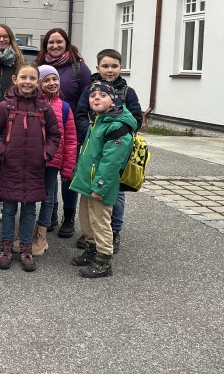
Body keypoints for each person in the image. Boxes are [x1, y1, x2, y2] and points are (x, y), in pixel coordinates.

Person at [0, 64, 60, 272]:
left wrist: (46, 154)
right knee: (9, 210)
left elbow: (55, 134)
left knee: (29, 210)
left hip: (36, 167)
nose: (27, 82)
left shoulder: (44, 108)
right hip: (11, 165)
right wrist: (2, 152)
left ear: (38, 82)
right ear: (14, 79)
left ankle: (26, 248)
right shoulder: (5, 106)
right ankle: (7, 247)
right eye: (23, 77)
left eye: (32, 78)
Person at [73, 49, 142, 253]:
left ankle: (114, 231)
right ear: (98, 68)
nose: (110, 70)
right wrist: (93, 135)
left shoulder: (128, 92)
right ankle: (92, 237)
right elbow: (80, 115)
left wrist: (108, 135)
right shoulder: (90, 90)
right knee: (89, 196)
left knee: (114, 193)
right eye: (105, 66)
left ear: (121, 67)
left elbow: (135, 119)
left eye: (114, 66)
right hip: (94, 145)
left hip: (114, 147)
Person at [70, 81, 137, 278]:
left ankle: (104, 261)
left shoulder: (117, 127)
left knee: (100, 221)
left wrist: (100, 186)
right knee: (86, 218)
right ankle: (91, 250)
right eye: (93, 95)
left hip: (100, 185)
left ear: (113, 99)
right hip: (88, 182)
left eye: (102, 95)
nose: (96, 98)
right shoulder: (99, 120)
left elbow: (111, 162)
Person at [36, 27, 92, 238]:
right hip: (44, 133)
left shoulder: (79, 68)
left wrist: (81, 123)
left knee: (69, 175)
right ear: (46, 45)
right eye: (51, 42)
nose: (55, 46)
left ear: (66, 43)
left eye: (59, 42)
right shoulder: (40, 66)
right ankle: (51, 214)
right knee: (48, 176)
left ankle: (68, 217)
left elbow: (88, 97)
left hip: (71, 128)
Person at [33, 65, 78, 256]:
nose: (52, 83)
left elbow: (70, 140)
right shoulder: (32, 103)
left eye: (55, 79)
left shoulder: (65, 108)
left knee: (48, 197)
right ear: (39, 83)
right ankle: (26, 230)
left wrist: (68, 168)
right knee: (26, 195)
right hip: (31, 158)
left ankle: (41, 233)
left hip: (52, 160)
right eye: (47, 80)